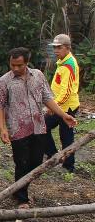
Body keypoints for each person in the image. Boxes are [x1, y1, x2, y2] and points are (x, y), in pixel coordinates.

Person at [0, 47, 78, 208]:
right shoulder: (4, 81)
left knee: (36, 163)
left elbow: (47, 98)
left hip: (38, 126)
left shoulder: (38, 75)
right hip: (17, 129)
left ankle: (19, 189)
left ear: (27, 62)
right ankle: (22, 198)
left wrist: (63, 115)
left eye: (19, 65)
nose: (15, 68)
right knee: (22, 163)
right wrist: (2, 129)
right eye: (12, 65)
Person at [43, 33, 80, 172]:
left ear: (67, 48)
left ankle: (67, 165)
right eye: (55, 48)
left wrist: (52, 106)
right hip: (60, 105)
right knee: (49, 130)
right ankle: (56, 157)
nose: (56, 50)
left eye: (59, 47)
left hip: (66, 107)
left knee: (65, 136)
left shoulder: (69, 65)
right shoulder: (63, 62)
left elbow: (66, 92)